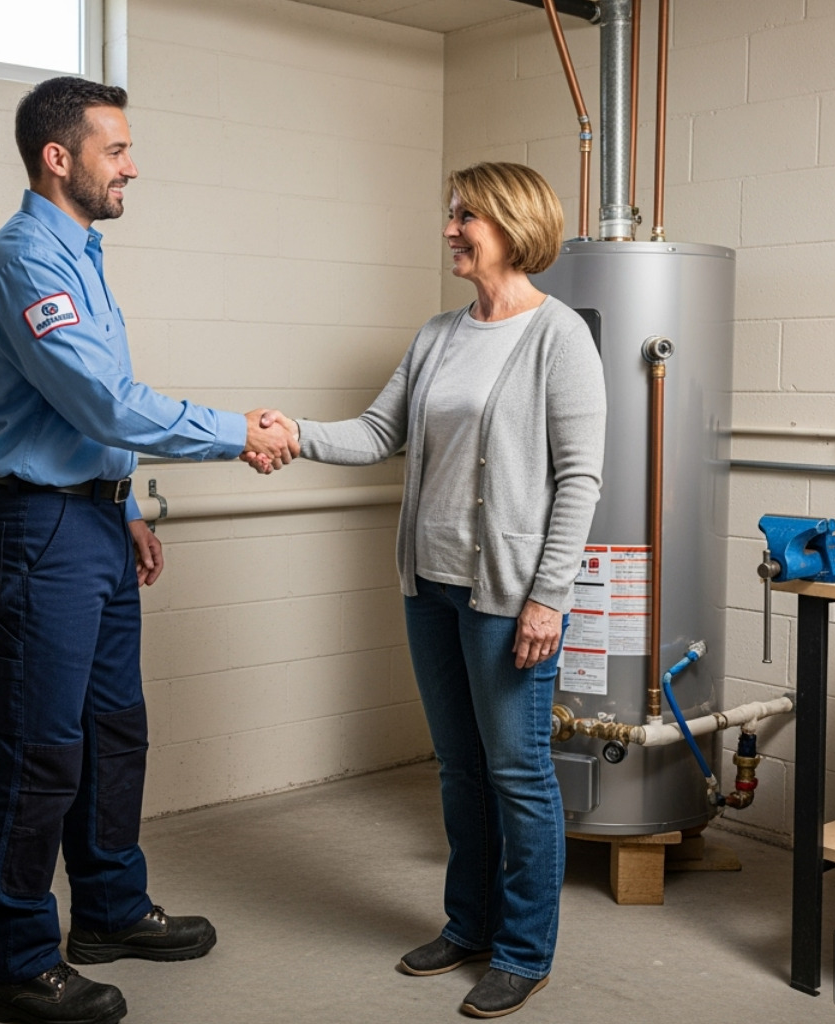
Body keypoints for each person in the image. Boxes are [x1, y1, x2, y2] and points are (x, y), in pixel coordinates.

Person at [0, 76, 297, 1024]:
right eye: (116, 149)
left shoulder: (81, 253)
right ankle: (15, 961)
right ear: (57, 158)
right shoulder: (28, 260)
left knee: (113, 733)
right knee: (39, 752)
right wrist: (240, 431)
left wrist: (123, 506)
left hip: (92, 521)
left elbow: (88, 414)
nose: (132, 165)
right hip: (39, 530)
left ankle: (106, 908)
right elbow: (105, 401)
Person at [256, 162, 605, 1018]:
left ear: (512, 224)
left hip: (506, 596)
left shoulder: (560, 337)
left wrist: (548, 596)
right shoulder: (439, 333)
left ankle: (525, 950)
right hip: (431, 586)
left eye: (466, 216)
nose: (451, 229)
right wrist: (296, 434)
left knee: (519, 774)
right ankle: (468, 923)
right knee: (459, 770)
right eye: (451, 214)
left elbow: (581, 478)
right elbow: (381, 431)